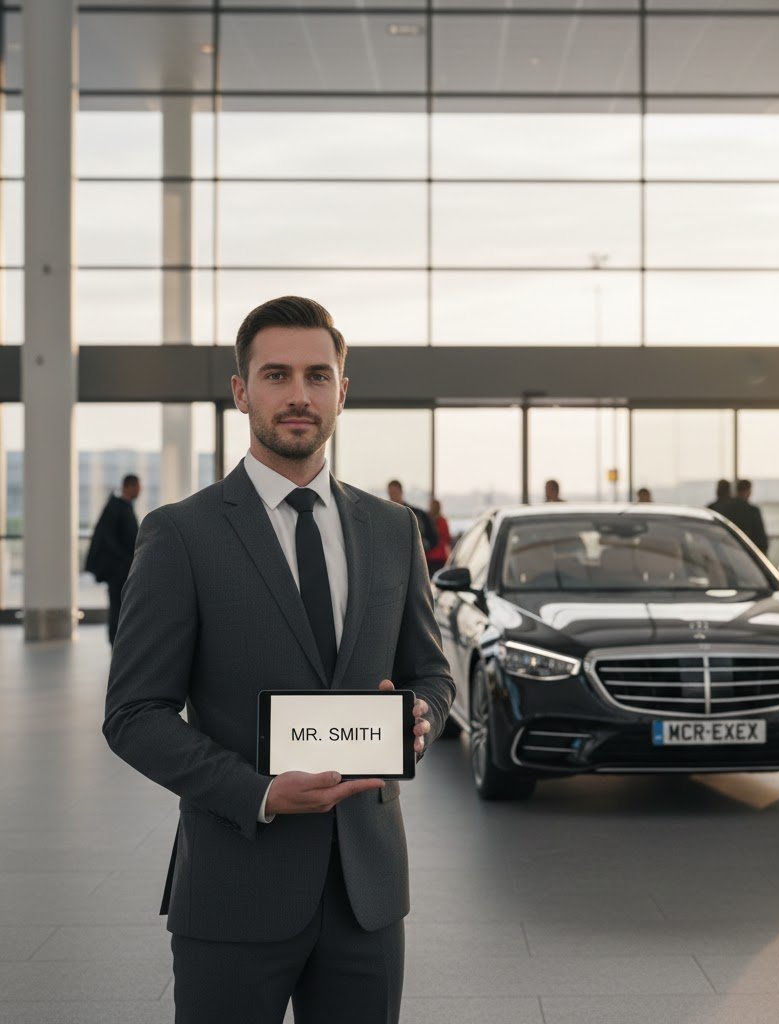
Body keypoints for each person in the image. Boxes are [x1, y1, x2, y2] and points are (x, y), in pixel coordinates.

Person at [103, 296, 455, 1024]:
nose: (299, 396)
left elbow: (433, 673)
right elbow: (134, 715)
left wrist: (422, 715)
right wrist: (257, 791)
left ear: (342, 392)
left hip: (368, 893)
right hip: (235, 884)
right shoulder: (181, 535)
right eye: (276, 375)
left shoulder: (393, 530)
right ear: (241, 392)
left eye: (319, 377)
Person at [85, 473, 141, 644]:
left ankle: (120, 642)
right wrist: (126, 559)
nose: (139, 491)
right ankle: (117, 642)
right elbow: (109, 540)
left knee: (120, 606)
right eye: (137, 486)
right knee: (118, 606)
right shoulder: (118, 508)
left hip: (122, 568)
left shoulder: (122, 507)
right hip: (118, 571)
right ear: (128, 486)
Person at [387, 479, 438, 551]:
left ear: (401, 492)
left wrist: (421, 549)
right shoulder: (387, 516)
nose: (392, 497)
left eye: (395, 493)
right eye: (390, 494)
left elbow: (433, 538)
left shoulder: (416, 514)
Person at [721, 479, 769, 555]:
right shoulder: (752, 511)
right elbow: (761, 539)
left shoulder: (725, 509)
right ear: (748, 491)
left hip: (728, 552)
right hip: (748, 555)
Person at [424, 498, 452, 577]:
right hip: (439, 556)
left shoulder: (428, 521)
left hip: (430, 556)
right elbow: (447, 539)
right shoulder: (442, 521)